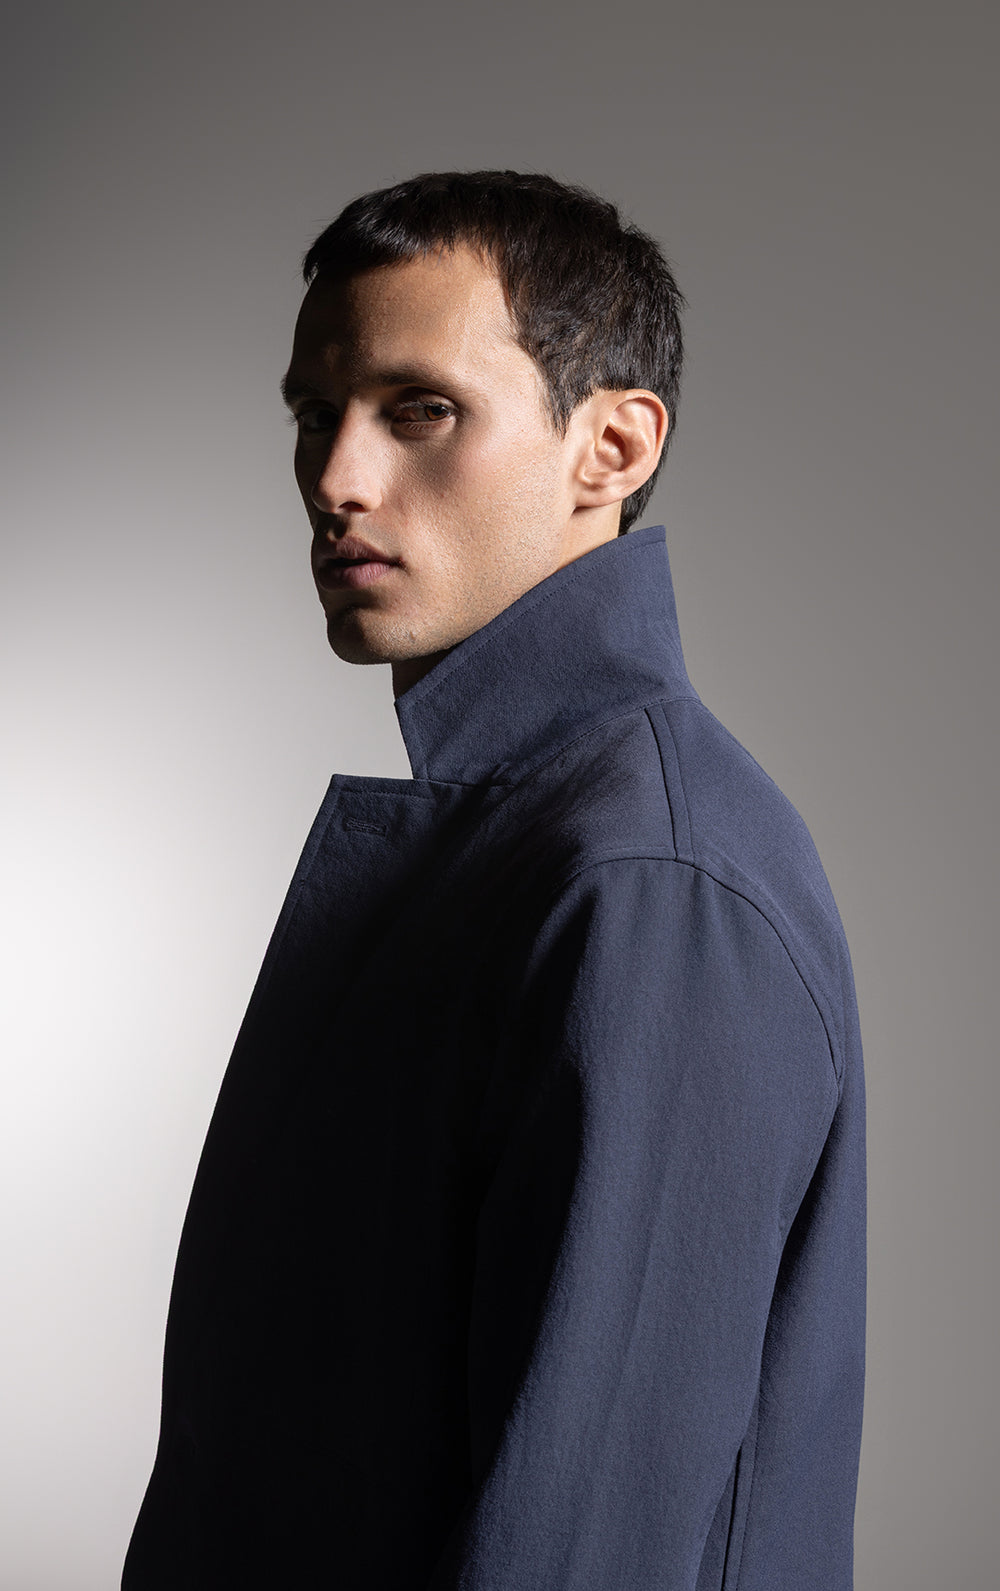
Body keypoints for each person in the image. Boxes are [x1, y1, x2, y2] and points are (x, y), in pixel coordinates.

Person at [123, 171, 866, 1590]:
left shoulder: (647, 881)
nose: (338, 478)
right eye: (316, 415)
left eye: (419, 410)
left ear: (611, 447)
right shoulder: (529, 839)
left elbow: (590, 1548)